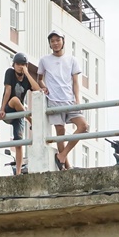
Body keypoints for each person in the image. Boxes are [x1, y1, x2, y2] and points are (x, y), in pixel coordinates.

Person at [40, 30, 87, 169]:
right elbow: (39, 79)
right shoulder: (44, 60)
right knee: (60, 132)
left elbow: (75, 82)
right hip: (54, 100)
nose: (55, 43)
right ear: (49, 44)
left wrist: (77, 99)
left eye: (57, 40)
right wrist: (43, 87)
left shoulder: (72, 60)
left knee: (83, 126)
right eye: (52, 41)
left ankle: (62, 155)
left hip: (69, 100)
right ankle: (66, 167)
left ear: (63, 41)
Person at [0, 51, 42, 173]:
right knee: (15, 100)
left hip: (19, 114)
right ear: (13, 64)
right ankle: (31, 120)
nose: (20, 66)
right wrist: (2, 109)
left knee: (19, 142)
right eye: (18, 64)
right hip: (9, 109)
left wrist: (27, 74)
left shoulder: (26, 78)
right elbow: (7, 90)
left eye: (22, 64)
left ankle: (17, 172)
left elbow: (38, 89)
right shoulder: (10, 73)